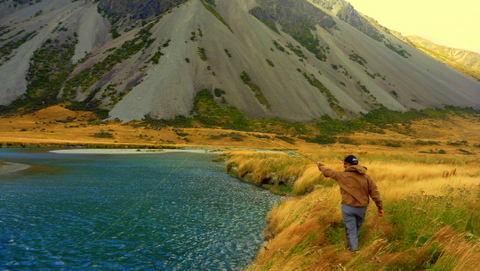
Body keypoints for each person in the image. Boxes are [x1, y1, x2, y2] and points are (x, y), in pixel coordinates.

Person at [316, 155, 384, 252]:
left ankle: (354, 252)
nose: (343, 165)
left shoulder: (341, 175)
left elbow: (327, 171)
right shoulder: (366, 177)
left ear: (347, 164)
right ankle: (351, 248)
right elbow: (375, 194)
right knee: (356, 230)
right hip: (362, 208)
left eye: (344, 163)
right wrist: (380, 207)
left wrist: (320, 165)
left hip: (348, 208)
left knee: (351, 230)